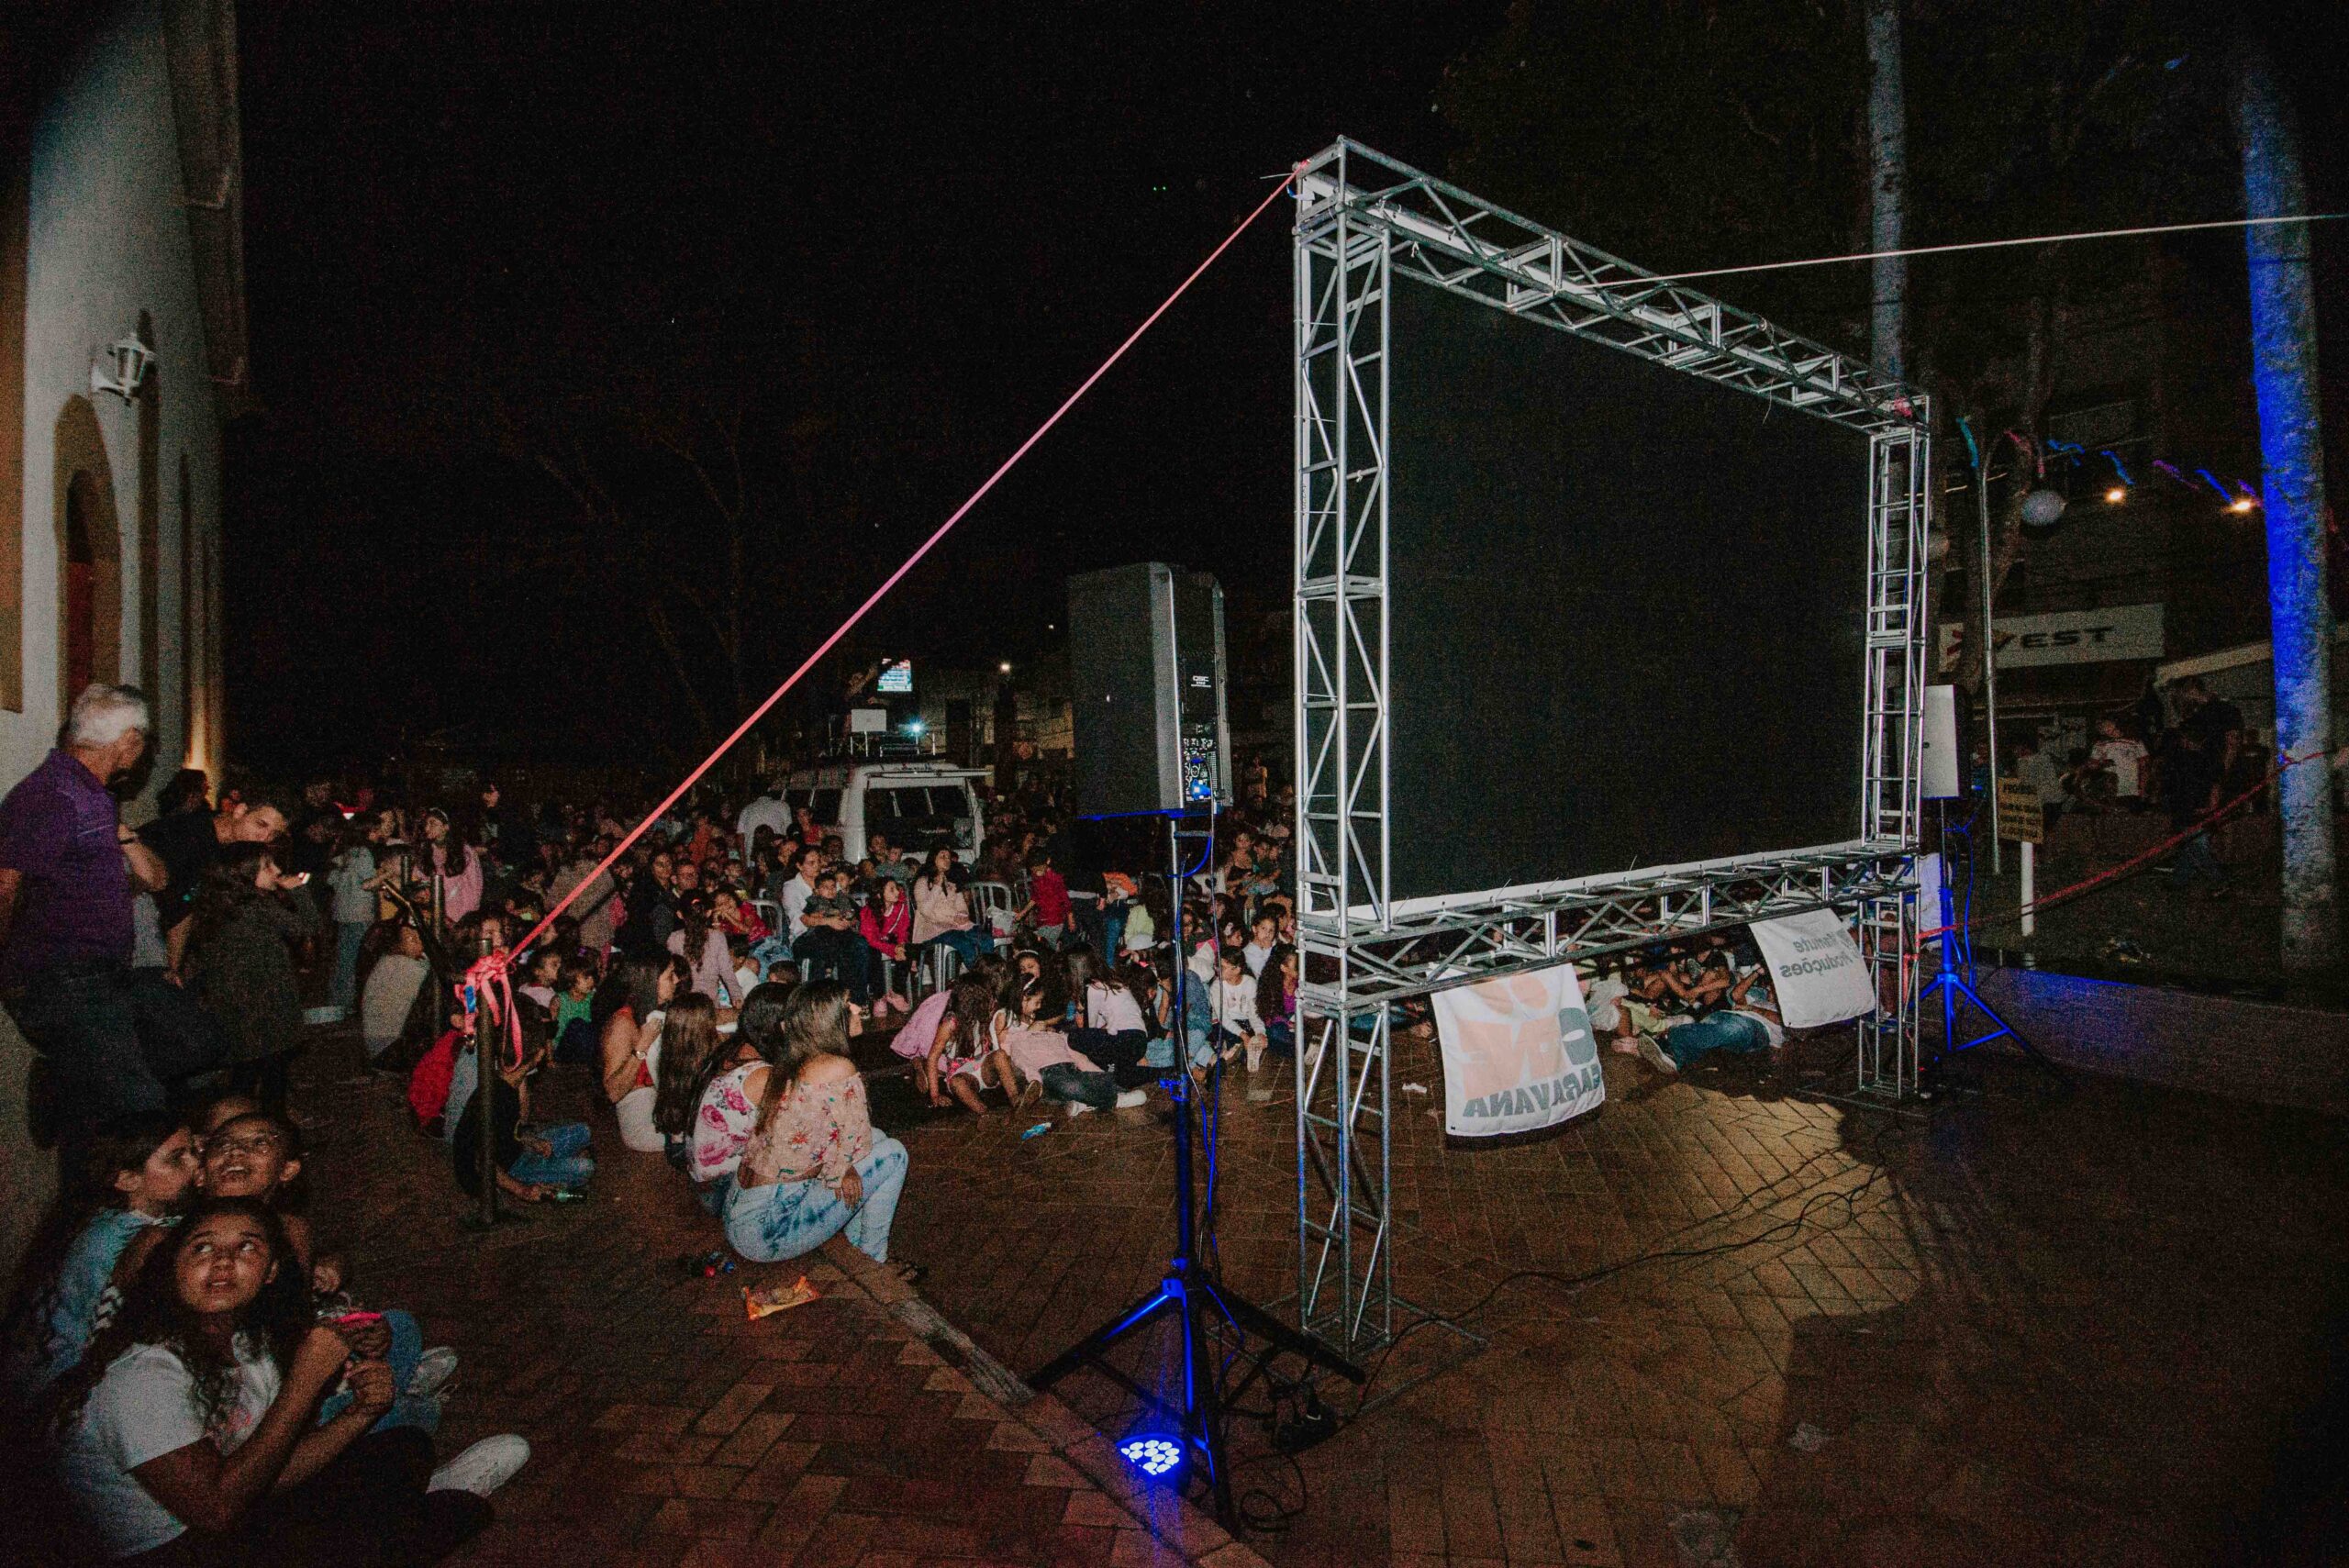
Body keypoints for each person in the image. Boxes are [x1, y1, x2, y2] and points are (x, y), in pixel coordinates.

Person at [49, 1197, 523, 1564]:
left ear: (272, 1272)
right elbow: (216, 1511)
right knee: (449, 1519)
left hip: (237, 1512)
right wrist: (304, 1380)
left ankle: (405, 1501)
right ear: (174, 1271)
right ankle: (414, 1510)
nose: (221, 1261)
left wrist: (360, 1414)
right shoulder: (142, 1374)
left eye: (247, 1247)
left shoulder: (245, 1342)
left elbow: (267, 1468)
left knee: (405, 1447)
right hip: (176, 1552)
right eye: (202, 1247)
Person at [0, 684, 192, 1135]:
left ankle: (68, 1085)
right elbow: (5, 886)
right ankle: (73, 1103)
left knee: (196, 1040)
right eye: (141, 740)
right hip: (66, 974)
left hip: (105, 971)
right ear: (127, 741)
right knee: (140, 1106)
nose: (141, 751)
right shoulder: (54, 794)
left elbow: (145, 880)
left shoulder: (92, 794)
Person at [4, 1112, 200, 1405]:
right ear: (127, 1179)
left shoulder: (105, 1219)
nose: (196, 1163)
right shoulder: (124, 1235)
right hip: (61, 1389)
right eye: (177, 1158)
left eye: (194, 1151)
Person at [723, 983, 916, 1272]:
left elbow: (846, 1140)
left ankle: (856, 1247)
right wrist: (842, 1168)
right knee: (895, 1154)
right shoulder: (838, 1068)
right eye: (848, 1004)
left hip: (742, 1213)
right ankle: (875, 1262)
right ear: (827, 1020)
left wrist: (843, 1167)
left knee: (879, 1139)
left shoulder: (795, 1060)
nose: (855, 1009)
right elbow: (856, 1143)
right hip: (769, 1230)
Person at [182, 845, 325, 1114]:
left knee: (248, 1074)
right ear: (245, 873)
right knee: (268, 1078)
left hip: (239, 1006)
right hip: (265, 1008)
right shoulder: (256, 907)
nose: (277, 870)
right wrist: (298, 892)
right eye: (267, 866)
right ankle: (269, 1135)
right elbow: (309, 927)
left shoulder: (220, 905)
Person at [137, 785, 290, 982]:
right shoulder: (187, 833)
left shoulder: (228, 851)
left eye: (273, 835)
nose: (264, 838)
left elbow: (185, 906)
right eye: (261, 824)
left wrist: (174, 967)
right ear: (240, 810)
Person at [685, 983, 789, 1214]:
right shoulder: (761, 1074)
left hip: (704, 1180)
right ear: (781, 1025)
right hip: (723, 1190)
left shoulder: (734, 1047)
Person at [453, 1041, 594, 1204]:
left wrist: (532, 1142)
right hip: (502, 1168)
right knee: (585, 1168)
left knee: (583, 1131)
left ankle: (553, 1170)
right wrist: (521, 1190)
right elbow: (481, 1160)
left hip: (513, 1150)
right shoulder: (496, 1097)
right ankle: (547, 1179)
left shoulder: (508, 1084)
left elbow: (511, 1131)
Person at [599, 953, 685, 1154]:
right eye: (670, 975)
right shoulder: (623, 1023)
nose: (677, 980)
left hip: (658, 1109)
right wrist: (642, 1048)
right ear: (651, 981)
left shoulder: (652, 1013)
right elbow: (613, 1092)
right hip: (641, 1124)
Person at [1638, 963, 1785, 1075]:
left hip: (1756, 1029)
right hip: (1724, 1016)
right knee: (1711, 1034)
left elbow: (1779, 1020)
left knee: (1733, 1029)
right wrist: (1756, 973)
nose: (1773, 989)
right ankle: (1675, 1059)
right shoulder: (1759, 998)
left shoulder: (1787, 1011)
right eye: (1772, 985)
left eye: (1777, 987)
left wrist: (1751, 1009)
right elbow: (1736, 995)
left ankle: (1669, 1040)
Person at [359, 922, 432, 1066]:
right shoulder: (405, 967)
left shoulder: (389, 961)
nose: (420, 941)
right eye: (413, 938)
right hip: (389, 1047)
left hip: (379, 1045)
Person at [791, 864, 868, 1002]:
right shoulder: (814, 901)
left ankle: (857, 999)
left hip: (845, 932)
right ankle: (828, 973)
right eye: (826, 888)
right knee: (831, 945)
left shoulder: (843, 898)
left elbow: (857, 914)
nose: (831, 890)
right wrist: (822, 918)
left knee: (859, 945)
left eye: (833, 887)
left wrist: (849, 921)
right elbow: (807, 918)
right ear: (817, 890)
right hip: (823, 933)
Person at [910, 846, 984, 969]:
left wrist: (962, 915)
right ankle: (976, 979)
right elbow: (926, 912)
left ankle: (986, 974)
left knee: (984, 938)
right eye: (942, 856)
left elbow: (962, 907)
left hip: (954, 926)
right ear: (933, 859)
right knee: (964, 942)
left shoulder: (951, 883)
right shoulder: (922, 882)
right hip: (932, 930)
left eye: (949, 857)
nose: (947, 860)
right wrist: (937, 887)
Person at [857, 878, 913, 1015]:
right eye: (892, 889)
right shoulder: (867, 911)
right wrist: (892, 950)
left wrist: (900, 945)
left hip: (891, 940)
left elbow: (903, 929)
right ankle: (878, 996)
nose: (897, 892)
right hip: (874, 943)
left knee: (908, 950)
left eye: (897, 888)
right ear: (879, 895)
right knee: (872, 954)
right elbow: (870, 939)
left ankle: (896, 993)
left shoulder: (901, 906)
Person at [416, 809, 481, 929]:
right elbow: (420, 880)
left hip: (461, 914)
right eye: (426, 824)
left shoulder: (465, 852)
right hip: (436, 914)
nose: (427, 828)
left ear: (446, 827)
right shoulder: (425, 851)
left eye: (433, 824)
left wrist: (469, 919)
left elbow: (475, 886)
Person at [2090, 717, 2150, 811]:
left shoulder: (2135, 742)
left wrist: (2142, 789)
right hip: (2110, 792)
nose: (2103, 728)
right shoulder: (2099, 745)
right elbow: (2092, 767)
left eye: (2106, 724)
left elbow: (2145, 766)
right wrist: (2101, 762)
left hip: (2131, 789)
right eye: (2101, 727)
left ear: (2115, 724)